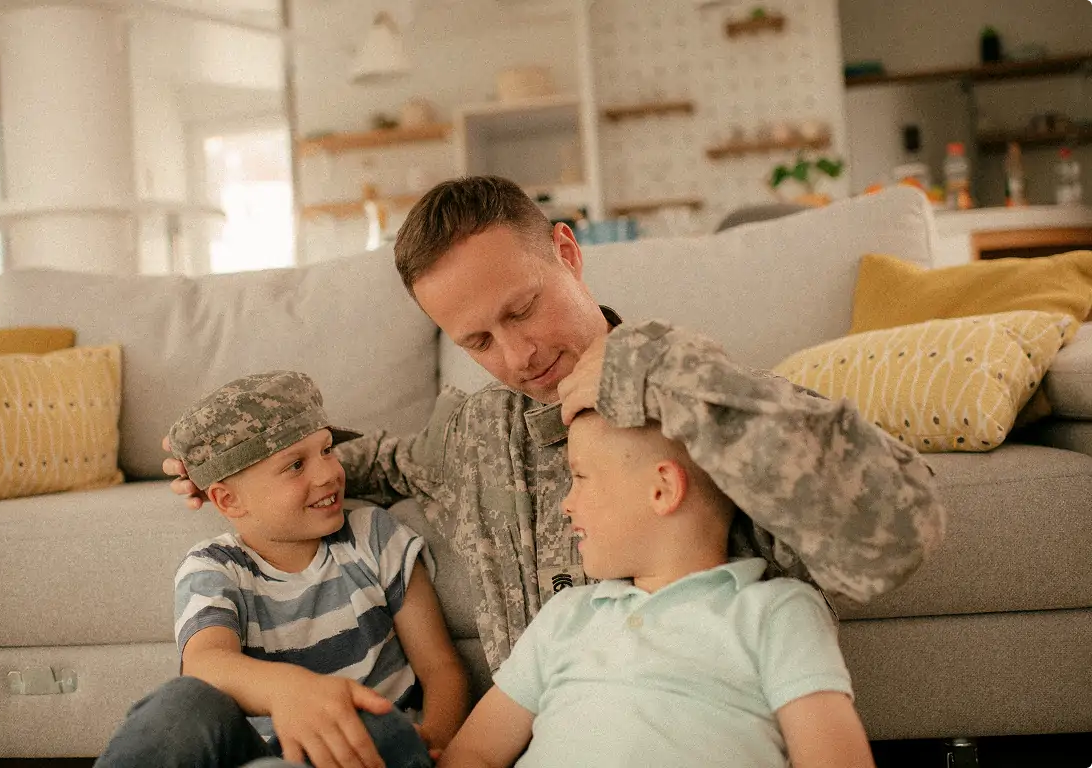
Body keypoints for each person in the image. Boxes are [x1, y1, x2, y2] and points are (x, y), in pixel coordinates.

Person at [165, 176, 945, 678]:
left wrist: (651, 374)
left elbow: (899, 531)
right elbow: (362, 463)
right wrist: (241, 465)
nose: (517, 355)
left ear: (567, 254)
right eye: (477, 342)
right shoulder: (472, 438)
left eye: (522, 308)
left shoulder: (698, 399)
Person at [437, 410, 875, 768]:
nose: (566, 502)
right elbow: (476, 751)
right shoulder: (566, 615)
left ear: (662, 489)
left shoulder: (776, 610)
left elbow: (833, 757)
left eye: (581, 478)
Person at [102, 371, 468, 768]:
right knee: (183, 700)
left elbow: (441, 668)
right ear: (229, 501)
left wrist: (436, 741)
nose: (329, 473)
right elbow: (206, 663)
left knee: (371, 721)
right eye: (296, 465)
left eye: (327, 450)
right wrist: (290, 691)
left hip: (370, 748)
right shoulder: (214, 567)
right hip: (264, 750)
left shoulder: (374, 535)